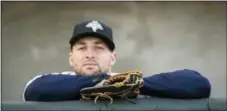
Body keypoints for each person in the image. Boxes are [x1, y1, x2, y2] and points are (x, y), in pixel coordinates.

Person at [23, 20, 211, 101]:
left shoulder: (130, 84)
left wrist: (130, 84)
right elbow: (33, 90)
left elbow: (199, 84)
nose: (90, 54)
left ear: (113, 57)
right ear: (71, 57)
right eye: (82, 48)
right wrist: (102, 84)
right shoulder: (55, 80)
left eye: (99, 48)